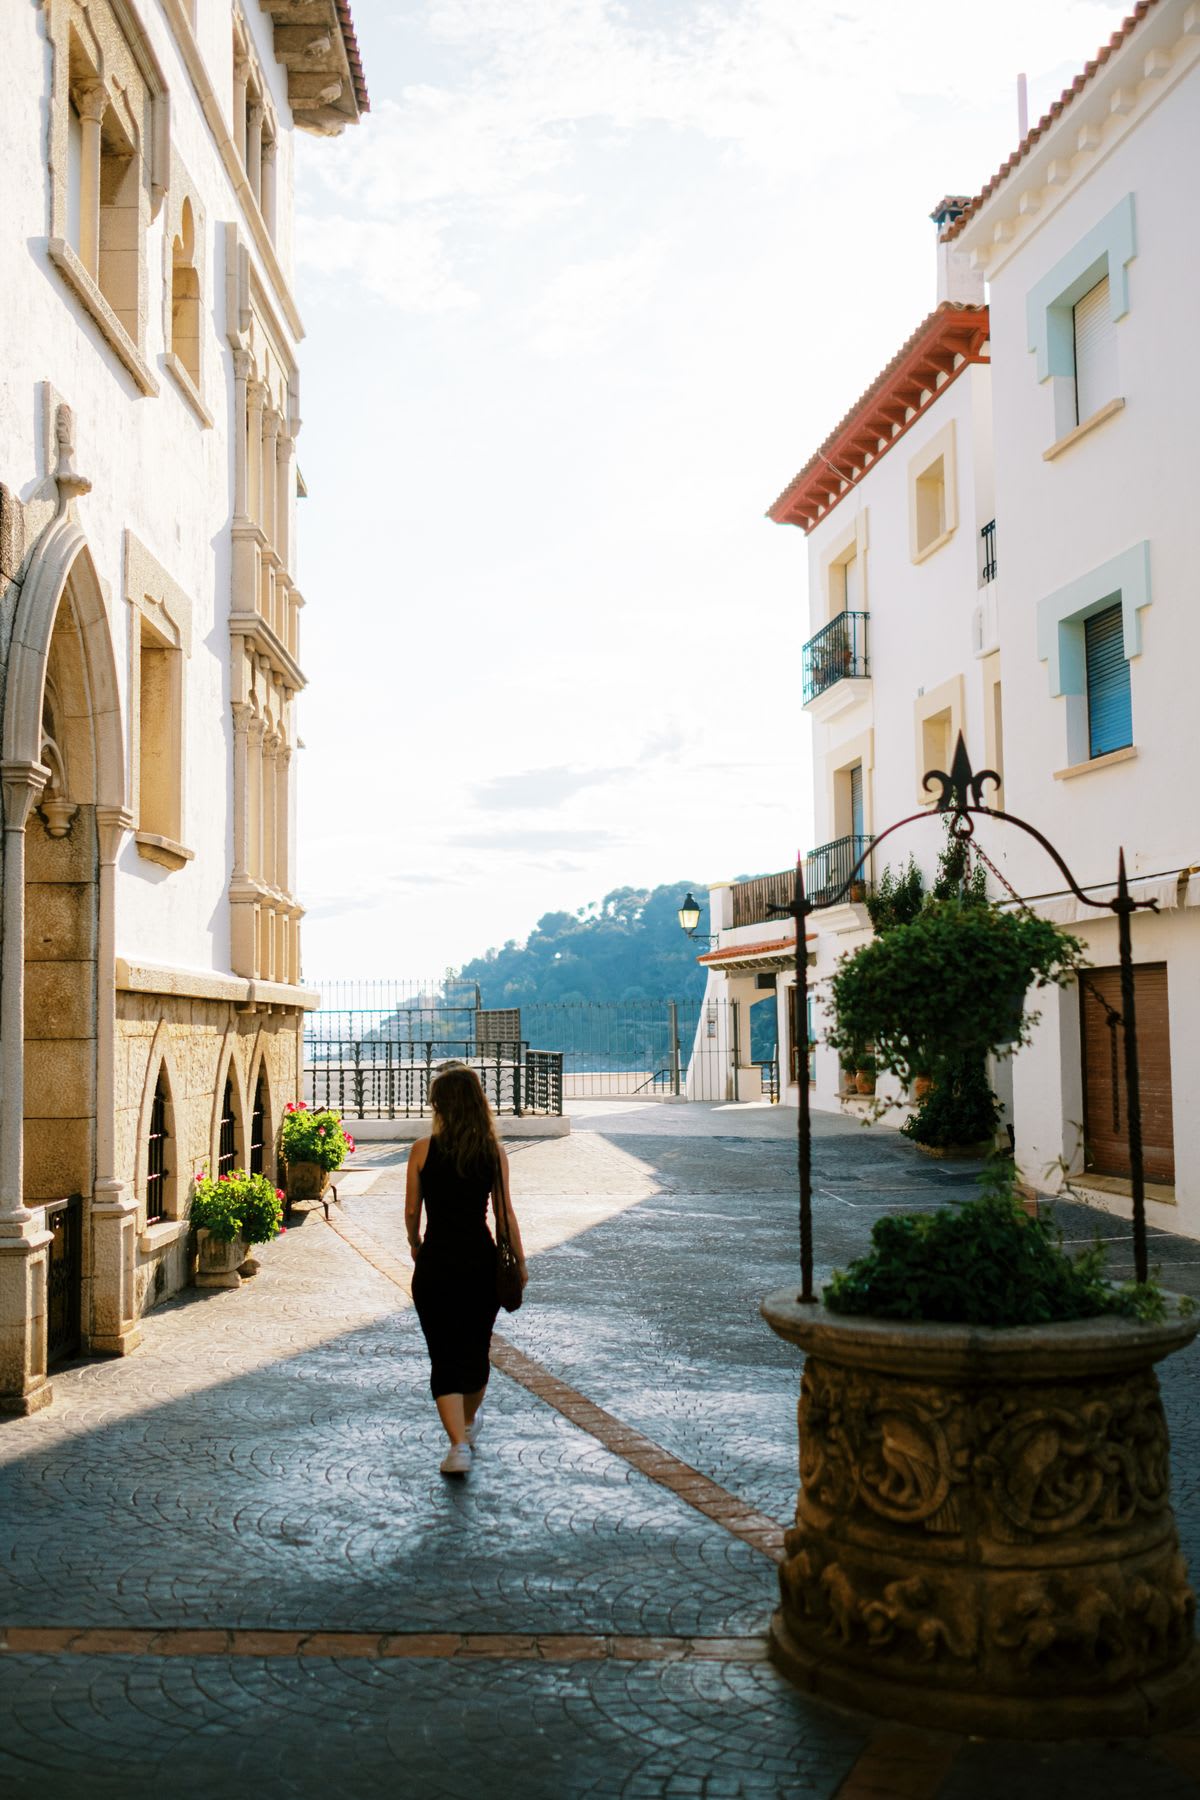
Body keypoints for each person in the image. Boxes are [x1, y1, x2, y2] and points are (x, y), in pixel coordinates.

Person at [405, 1065, 528, 1476]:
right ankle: (469, 1424)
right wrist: (521, 1263)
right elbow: (504, 1213)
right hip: (480, 1263)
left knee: (443, 1355)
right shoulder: (493, 1152)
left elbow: (411, 1211)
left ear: (439, 1106)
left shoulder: (422, 1150)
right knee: (475, 1352)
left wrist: (416, 1244)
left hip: (436, 1264)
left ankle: (457, 1445)